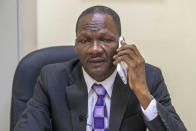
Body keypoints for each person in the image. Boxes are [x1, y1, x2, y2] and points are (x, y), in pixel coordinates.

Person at [14, 5, 186, 131]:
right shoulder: (51, 78)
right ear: (76, 45)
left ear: (121, 44)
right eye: (85, 40)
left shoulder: (148, 77)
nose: (94, 49)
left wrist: (142, 93)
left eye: (105, 39)